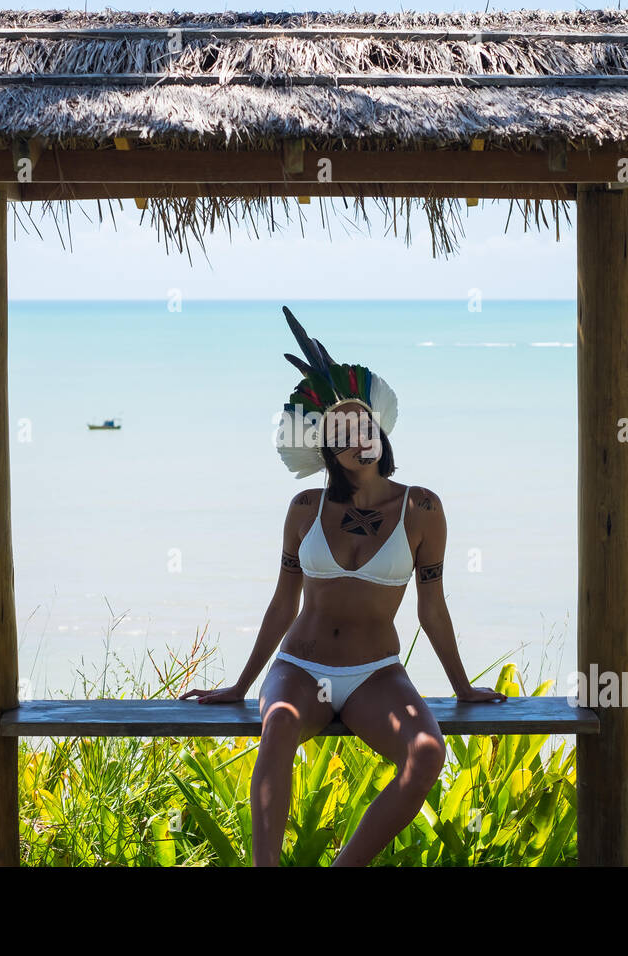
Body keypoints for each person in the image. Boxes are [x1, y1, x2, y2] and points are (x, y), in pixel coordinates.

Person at [180, 307, 505, 867]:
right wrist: (239, 686)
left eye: (366, 426)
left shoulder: (422, 507)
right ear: (329, 448)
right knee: (276, 723)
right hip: (300, 668)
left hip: (374, 674)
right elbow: (282, 603)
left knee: (426, 754)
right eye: (345, 432)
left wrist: (464, 686)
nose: (359, 437)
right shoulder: (304, 508)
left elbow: (433, 608)